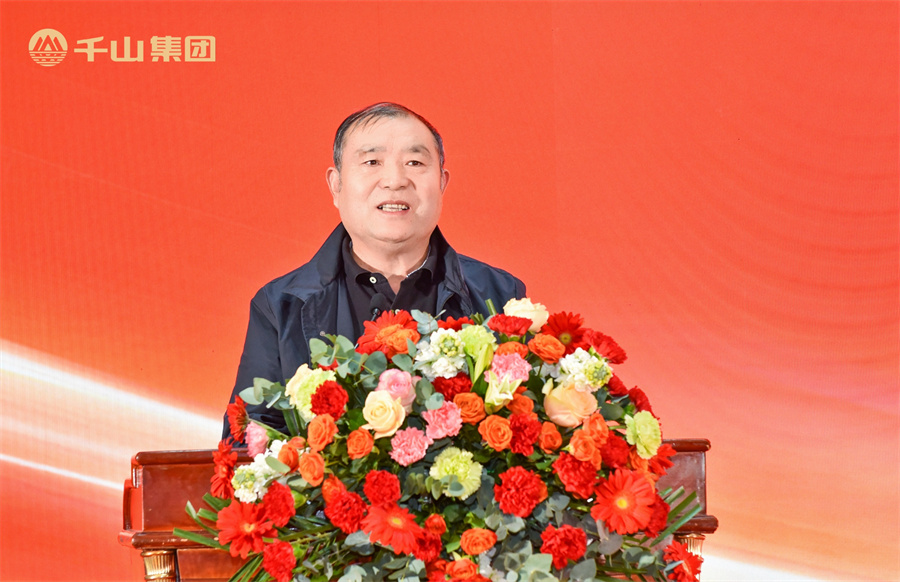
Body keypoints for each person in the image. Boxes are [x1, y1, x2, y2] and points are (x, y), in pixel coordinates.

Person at [222, 103, 525, 439]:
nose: (395, 180)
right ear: (336, 185)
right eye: (372, 162)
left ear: (442, 183)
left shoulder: (500, 295)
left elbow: (526, 427)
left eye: (415, 162)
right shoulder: (282, 305)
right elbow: (247, 443)